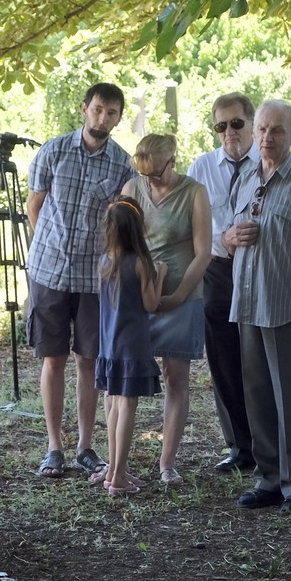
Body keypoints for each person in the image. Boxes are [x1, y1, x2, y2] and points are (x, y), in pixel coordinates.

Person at [219, 99, 291, 513]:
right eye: (263, 129)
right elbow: (227, 240)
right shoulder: (245, 178)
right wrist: (230, 238)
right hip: (248, 304)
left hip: (287, 306)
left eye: (278, 130)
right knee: (258, 395)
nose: (267, 137)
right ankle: (268, 478)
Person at [25, 84, 132, 478]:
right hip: (49, 270)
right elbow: (35, 205)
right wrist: (50, 245)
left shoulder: (122, 164)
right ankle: (54, 447)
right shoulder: (53, 151)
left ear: (118, 117)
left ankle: (86, 447)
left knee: (89, 360)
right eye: (98, 109)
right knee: (53, 358)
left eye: (112, 112)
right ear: (85, 109)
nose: (103, 118)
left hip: (93, 275)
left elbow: (120, 221)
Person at [121, 134, 210, 484]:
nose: (151, 181)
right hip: (139, 295)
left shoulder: (194, 193)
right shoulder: (132, 189)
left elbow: (203, 253)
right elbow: (122, 244)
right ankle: (118, 461)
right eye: (145, 174)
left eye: (157, 173)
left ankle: (167, 462)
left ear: (172, 160)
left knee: (176, 377)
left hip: (181, 296)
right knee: (125, 379)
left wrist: (177, 296)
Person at [188, 93, 258, 474]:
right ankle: (240, 446)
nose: (229, 132)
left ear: (251, 123)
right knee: (224, 361)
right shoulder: (201, 167)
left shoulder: (267, 161)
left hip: (259, 271)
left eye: (236, 123)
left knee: (259, 358)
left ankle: (268, 442)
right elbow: (191, 224)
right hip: (217, 270)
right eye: (220, 126)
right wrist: (223, 237)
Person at [94, 198, 164, 496]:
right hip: (132, 347)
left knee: (113, 403)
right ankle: (119, 477)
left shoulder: (105, 260)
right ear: (137, 228)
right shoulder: (140, 263)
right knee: (127, 408)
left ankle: (114, 470)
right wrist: (160, 275)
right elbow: (151, 304)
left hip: (109, 346)